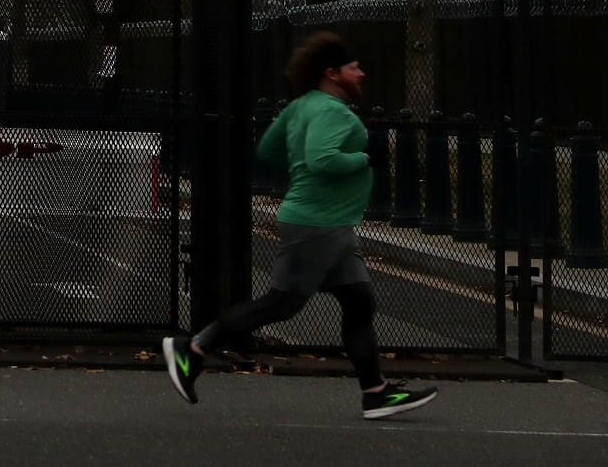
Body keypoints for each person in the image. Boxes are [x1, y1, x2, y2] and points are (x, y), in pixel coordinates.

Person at [163, 31, 438, 421]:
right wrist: (364, 158)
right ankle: (191, 349)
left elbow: (269, 149)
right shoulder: (333, 111)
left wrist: (303, 164)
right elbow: (323, 160)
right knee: (281, 303)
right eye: (353, 67)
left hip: (331, 225)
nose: (362, 73)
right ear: (332, 73)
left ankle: (375, 393)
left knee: (359, 302)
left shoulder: (300, 107)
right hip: (317, 224)